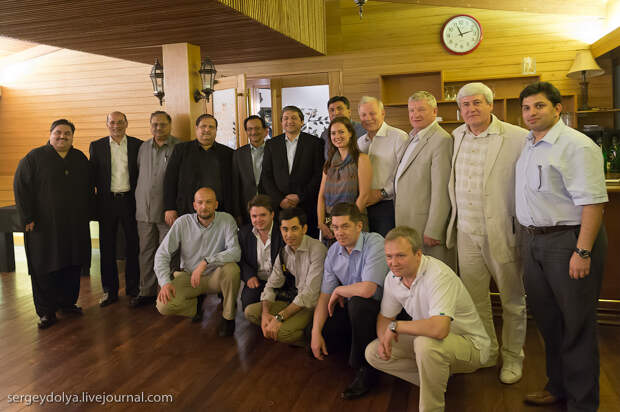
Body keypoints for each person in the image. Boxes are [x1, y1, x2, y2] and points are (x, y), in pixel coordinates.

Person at [517, 81, 608, 410]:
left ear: (557, 109)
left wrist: (582, 252)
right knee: (549, 322)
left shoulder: (577, 146)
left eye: (539, 106)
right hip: (533, 242)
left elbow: (593, 204)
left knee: (576, 325)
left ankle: (583, 403)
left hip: (569, 242)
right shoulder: (529, 144)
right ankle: (557, 386)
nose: (531, 113)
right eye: (526, 108)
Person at [446, 82, 529, 384]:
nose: (471, 109)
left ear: (491, 105)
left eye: (477, 102)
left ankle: (513, 357)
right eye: (465, 104)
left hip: (502, 231)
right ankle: (488, 351)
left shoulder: (517, 137)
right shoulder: (456, 135)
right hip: (466, 232)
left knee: (512, 300)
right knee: (475, 298)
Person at [366, 226, 490, 412]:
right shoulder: (392, 278)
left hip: (471, 345)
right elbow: (385, 317)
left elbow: (439, 329)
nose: (393, 263)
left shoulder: (438, 275)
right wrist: (384, 340)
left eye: (400, 255)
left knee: (425, 344)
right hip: (432, 340)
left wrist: (396, 326)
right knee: (373, 352)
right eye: (389, 256)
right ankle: (437, 378)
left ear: (418, 254)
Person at [14, 119, 94, 329]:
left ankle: (67, 303)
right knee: (44, 267)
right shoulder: (33, 158)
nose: (62, 136)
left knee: (72, 264)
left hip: (74, 225)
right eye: (58, 132)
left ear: (72, 137)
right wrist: (27, 217)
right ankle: (46, 311)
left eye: (67, 133)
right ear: (50, 134)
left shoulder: (79, 158)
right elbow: (21, 188)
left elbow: (89, 189)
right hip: (43, 226)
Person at [309, 202, 389, 400]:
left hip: (380, 309)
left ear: (359, 226)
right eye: (335, 227)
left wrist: (340, 290)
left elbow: (369, 289)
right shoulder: (333, 251)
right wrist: (315, 332)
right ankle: (356, 344)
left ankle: (367, 370)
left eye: (345, 226)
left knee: (358, 304)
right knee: (317, 333)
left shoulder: (375, 242)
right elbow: (325, 296)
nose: (339, 232)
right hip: (352, 307)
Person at [379, 91, 454, 268]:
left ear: (434, 111)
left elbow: (441, 190)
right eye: (411, 110)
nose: (415, 114)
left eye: (421, 109)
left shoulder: (441, 140)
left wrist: (434, 229)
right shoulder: (412, 136)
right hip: (408, 223)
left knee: (433, 274)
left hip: (426, 227)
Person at [154, 187, 241, 336]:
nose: (204, 206)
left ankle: (228, 317)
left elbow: (235, 252)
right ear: (194, 205)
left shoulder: (227, 220)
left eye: (209, 202)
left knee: (232, 270)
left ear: (216, 204)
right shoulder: (182, 222)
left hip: (215, 276)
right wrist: (165, 282)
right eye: (200, 202)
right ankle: (195, 307)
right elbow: (162, 254)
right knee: (163, 305)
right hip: (190, 277)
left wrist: (206, 261)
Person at [245, 207, 326, 345]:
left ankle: (308, 336)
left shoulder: (317, 249)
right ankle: (290, 326)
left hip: (312, 305)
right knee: (250, 312)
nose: (289, 234)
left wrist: (279, 317)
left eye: (294, 229)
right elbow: (271, 285)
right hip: (293, 299)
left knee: (281, 332)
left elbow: (310, 294)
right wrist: (265, 314)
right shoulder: (284, 252)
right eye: (285, 229)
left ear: (304, 229)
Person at [89, 111, 142, 306]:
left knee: (133, 245)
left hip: (130, 201)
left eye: (120, 122)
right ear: (107, 124)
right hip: (107, 202)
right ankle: (109, 290)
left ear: (126, 123)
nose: (116, 126)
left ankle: (133, 287)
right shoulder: (96, 146)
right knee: (107, 247)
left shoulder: (138, 145)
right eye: (112, 122)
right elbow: (92, 178)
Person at [131, 111, 180, 307]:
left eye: (162, 124)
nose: (158, 128)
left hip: (167, 211)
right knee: (146, 252)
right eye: (154, 124)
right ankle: (146, 291)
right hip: (144, 211)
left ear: (170, 125)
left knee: (167, 253)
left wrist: (173, 207)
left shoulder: (179, 147)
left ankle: (166, 293)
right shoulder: (143, 147)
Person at [261, 105, 324, 238]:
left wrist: (300, 197)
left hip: (306, 205)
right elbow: (266, 176)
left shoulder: (315, 143)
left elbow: (318, 175)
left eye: (294, 118)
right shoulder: (272, 144)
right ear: (281, 122)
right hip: (280, 208)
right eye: (286, 118)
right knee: (282, 243)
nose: (289, 121)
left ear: (302, 121)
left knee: (308, 242)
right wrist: (280, 200)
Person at [163, 114, 234, 226]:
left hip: (220, 212)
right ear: (196, 129)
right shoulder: (181, 150)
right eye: (203, 126)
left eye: (211, 127)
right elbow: (170, 180)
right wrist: (170, 208)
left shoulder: (228, 153)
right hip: (187, 211)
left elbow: (233, 185)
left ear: (216, 130)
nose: (207, 130)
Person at [357, 96, 408, 236]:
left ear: (383, 113)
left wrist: (382, 193)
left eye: (372, 113)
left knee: (386, 246)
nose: (368, 118)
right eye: (363, 115)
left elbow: (405, 175)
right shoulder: (359, 142)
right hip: (364, 206)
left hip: (388, 205)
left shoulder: (399, 137)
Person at [318, 117, 371, 241]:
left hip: (353, 222)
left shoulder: (361, 159)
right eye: (333, 133)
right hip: (330, 223)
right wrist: (321, 223)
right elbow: (321, 196)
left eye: (341, 132)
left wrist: (346, 223)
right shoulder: (329, 163)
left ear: (350, 133)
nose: (337, 136)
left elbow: (364, 196)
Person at [238, 194, 284, 311]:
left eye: (263, 215)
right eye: (254, 216)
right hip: (257, 280)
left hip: (281, 282)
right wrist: (249, 276)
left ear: (272, 215)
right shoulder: (244, 233)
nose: (258, 220)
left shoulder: (283, 232)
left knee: (279, 305)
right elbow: (240, 259)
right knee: (247, 304)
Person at [232, 115, 269, 225]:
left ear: (265, 131)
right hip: (247, 207)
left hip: (271, 204)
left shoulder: (274, 150)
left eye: (257, 128)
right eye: (250, 129)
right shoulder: (239, 154)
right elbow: (235, 185)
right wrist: (237, 212)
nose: (253, 132)